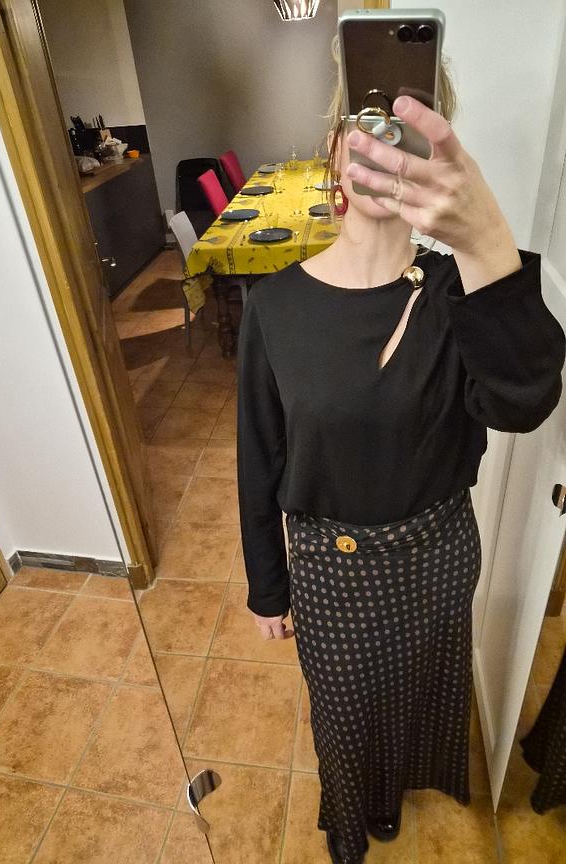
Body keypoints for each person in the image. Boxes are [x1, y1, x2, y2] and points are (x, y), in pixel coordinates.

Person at [236, 36, 566, 864]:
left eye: (407, 131)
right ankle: (356, 815)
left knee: (420, 694)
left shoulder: (467, 293)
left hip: (438, 556)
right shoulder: (273, 308)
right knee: (346, 715)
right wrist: (267, 587)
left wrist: (486, 239)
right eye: (367, 125)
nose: (384, 146)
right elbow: (259, 460)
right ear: (335, 153)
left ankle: (400, 784)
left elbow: (524, 403)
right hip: (330, 568)